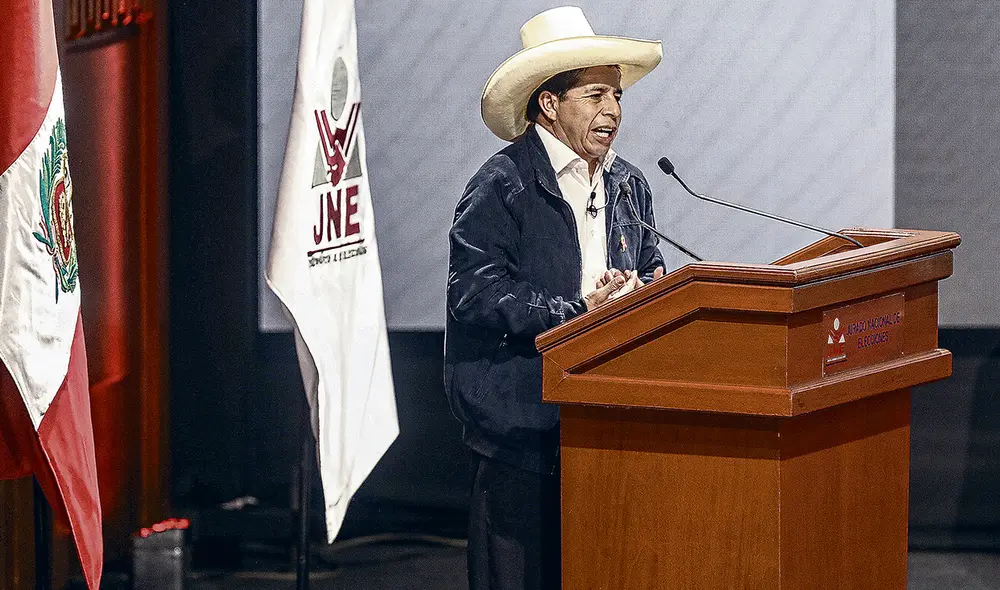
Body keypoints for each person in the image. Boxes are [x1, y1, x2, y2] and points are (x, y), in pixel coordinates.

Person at [445, 6, 665, 589]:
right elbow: (475, 292)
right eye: (596, 96)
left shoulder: (629, 183)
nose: (613, 112)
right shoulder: (502, 184)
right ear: (549, 103)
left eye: (616, 96)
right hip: (521, 433)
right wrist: (579, 315)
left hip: (605, 427)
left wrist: (636, 291)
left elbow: (650, 267)